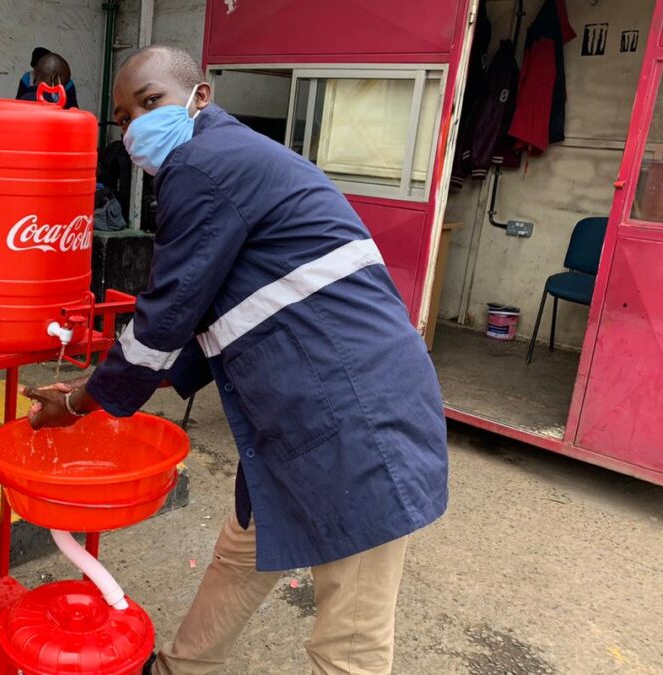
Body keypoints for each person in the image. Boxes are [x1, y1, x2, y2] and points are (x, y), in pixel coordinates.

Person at [23, 44, 448, 675]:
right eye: (121, 117)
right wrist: (117, 379)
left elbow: (165, 316)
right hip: (301, 410)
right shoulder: (223, 162)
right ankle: (182, 667)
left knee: (349, 635)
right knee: (244, 550)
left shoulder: (205, 163)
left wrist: (83, 403)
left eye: (148, 102)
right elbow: (200, 316)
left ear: (202, 95)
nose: (135, 127)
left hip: (357, 419)